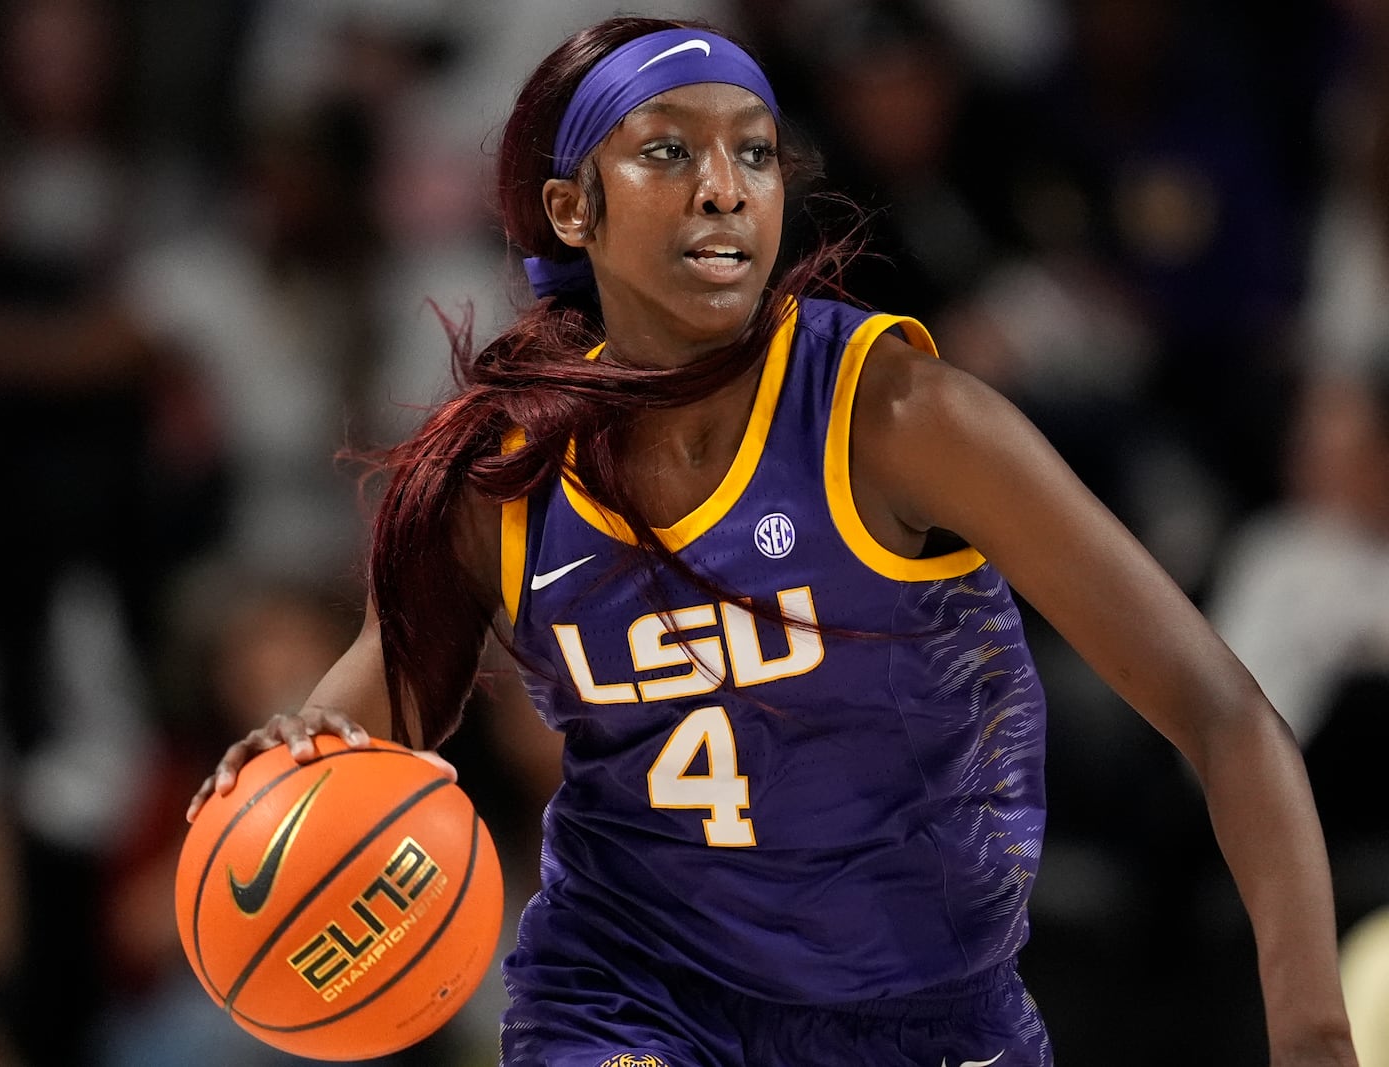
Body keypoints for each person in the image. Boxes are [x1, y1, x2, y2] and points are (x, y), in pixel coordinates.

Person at [188, 16, 1358, 1066]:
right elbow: (363, 723)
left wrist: (1311, 1031)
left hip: (924, 1011)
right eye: (668, 151)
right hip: (628, 999)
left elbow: (1223, 713)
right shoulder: (504, 476)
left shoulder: (896, 415)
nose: (724, 187)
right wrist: (295, 757)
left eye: (753, 152)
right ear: (570, 207)